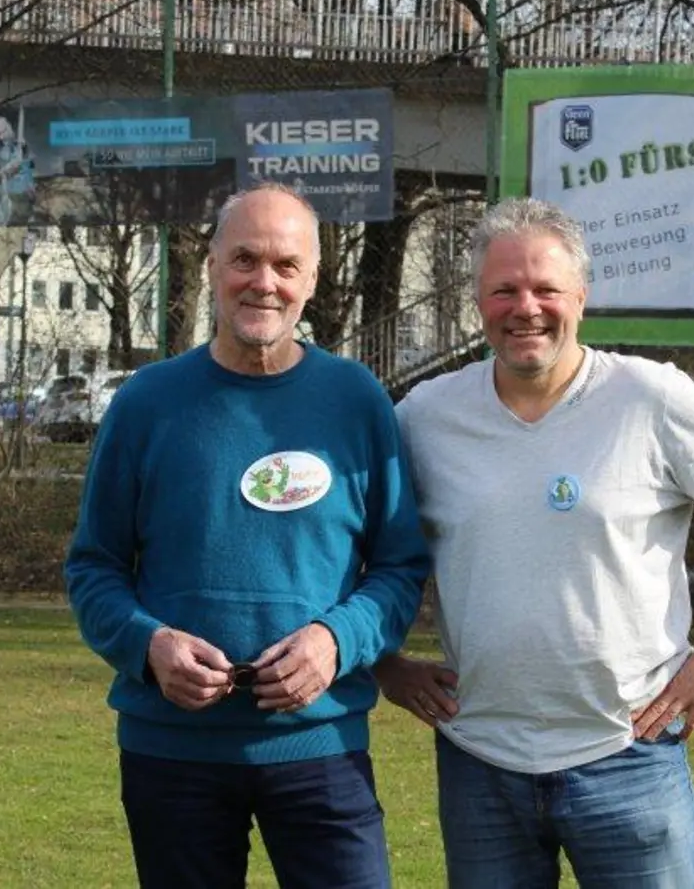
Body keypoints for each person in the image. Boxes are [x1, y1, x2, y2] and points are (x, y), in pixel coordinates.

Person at [375, 197, 694, 888]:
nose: (525, 307)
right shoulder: (426, 416)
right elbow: (351, 539)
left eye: (545, 289)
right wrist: (384, 665)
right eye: (505, 290)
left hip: (629, 754)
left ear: (581, 298)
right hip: (480, 762)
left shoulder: (649, 398)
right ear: (478, 300)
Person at [63, 182, 431, 889]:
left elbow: (398, 567)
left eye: (286, 265)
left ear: (313, 280)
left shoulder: (357, 401)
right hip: (172, 755)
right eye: (245, 259)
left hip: (321, 748)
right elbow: (93, 568)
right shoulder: (146, 403)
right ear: (210, 266)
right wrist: (148, 644)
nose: (264, 281)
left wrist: (334, 642)